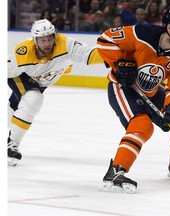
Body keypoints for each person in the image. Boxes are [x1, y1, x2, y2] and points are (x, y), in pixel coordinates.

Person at [96, 7, 170, 193]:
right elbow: (105, 40)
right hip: (123, 88)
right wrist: (120, 63)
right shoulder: (143, 33)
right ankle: (116, 171)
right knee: (143, 125)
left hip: (152, 92)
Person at [7, 19, 103, 166]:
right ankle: (11, 144)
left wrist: (115, 53)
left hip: (39, 83)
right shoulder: (23, 52)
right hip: (20, 77)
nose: (47, 43)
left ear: (55, 37)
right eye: (42, 40)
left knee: (14, 108)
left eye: (49, 38)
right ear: (35, 40)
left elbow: (89, 54)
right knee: (33, 99)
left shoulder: (65, 44)